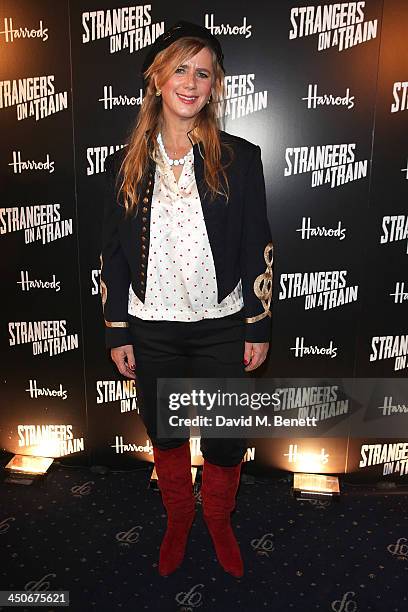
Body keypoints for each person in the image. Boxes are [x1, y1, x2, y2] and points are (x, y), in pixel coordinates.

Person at [100, 20, 273, 579]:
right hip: (152, 329)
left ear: (215, 85)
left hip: (223, 325)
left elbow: (257, 245)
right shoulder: (125, 164)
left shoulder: (241, 158)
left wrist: (258, 324)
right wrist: (116, 328)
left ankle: (218, 518)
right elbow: (113, 254)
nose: (191, 81)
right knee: (167, 433)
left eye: (203, 72)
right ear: (157, 78)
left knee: (224, 440)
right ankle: (179, 517)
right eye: (180, 68)